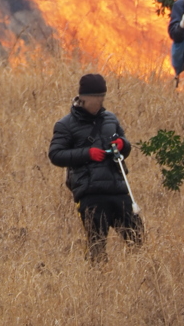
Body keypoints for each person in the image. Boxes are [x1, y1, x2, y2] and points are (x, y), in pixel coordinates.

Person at [48, 73, 143, 264]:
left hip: (119, 189)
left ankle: (141, 274)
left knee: (137, 239)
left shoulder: (110, 119)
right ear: (83, 98)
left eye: (103, 97)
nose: (100, 102)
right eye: (96, 98)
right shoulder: (65, 125)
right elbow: (56, 155)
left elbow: (126, 146)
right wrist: (87, 154)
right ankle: (97, 283)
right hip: (90, 194)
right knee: (96, 246)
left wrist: (122, 144)